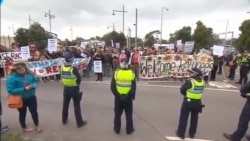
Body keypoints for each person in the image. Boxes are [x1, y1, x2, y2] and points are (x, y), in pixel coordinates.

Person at [6, 62, 42, 132]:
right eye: (19, 70)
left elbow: (35, 82)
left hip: (31, 97)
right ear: (15, 69)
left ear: (25, 67)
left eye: (23, 69)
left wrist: (34, 86)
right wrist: (23, 89)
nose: (22, 71)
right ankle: (24, 127)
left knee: (34, 112)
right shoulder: (11, 78)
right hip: (20, 98)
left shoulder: (29, 74)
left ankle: (37, 125)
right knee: (22, 113)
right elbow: (10, 90)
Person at [176, 68, 205, 139]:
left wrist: (186, 95)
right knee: (195, 119)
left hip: (188, 102)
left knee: (184, 117)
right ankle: (192, 134)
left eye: (191, 72)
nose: (189, 73)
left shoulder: (190, 81)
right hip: (198, 102)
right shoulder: (202, 81)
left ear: (195, 74)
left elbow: (182, 90)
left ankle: (181, 133)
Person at [110, 58, 136, 135]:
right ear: (127, 64)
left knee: (117, 113)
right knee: (128, 114)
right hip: (128, 98)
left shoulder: (116, 72)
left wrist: (118, 96)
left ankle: (117, 129)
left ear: (120, 64)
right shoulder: (131, 73)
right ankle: (129, 130)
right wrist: (129, 96)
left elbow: (112, 87)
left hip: (118, 98)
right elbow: (134, 87)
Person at [61, 53, 87, 128]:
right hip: (74, 88)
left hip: (66, 88)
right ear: (72, 60)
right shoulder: (73, 69)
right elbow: (79, 79)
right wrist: (77, 84)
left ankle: (64, 120)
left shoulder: (62, 68)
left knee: (65, 105)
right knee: (76, 106)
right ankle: (79, 122)